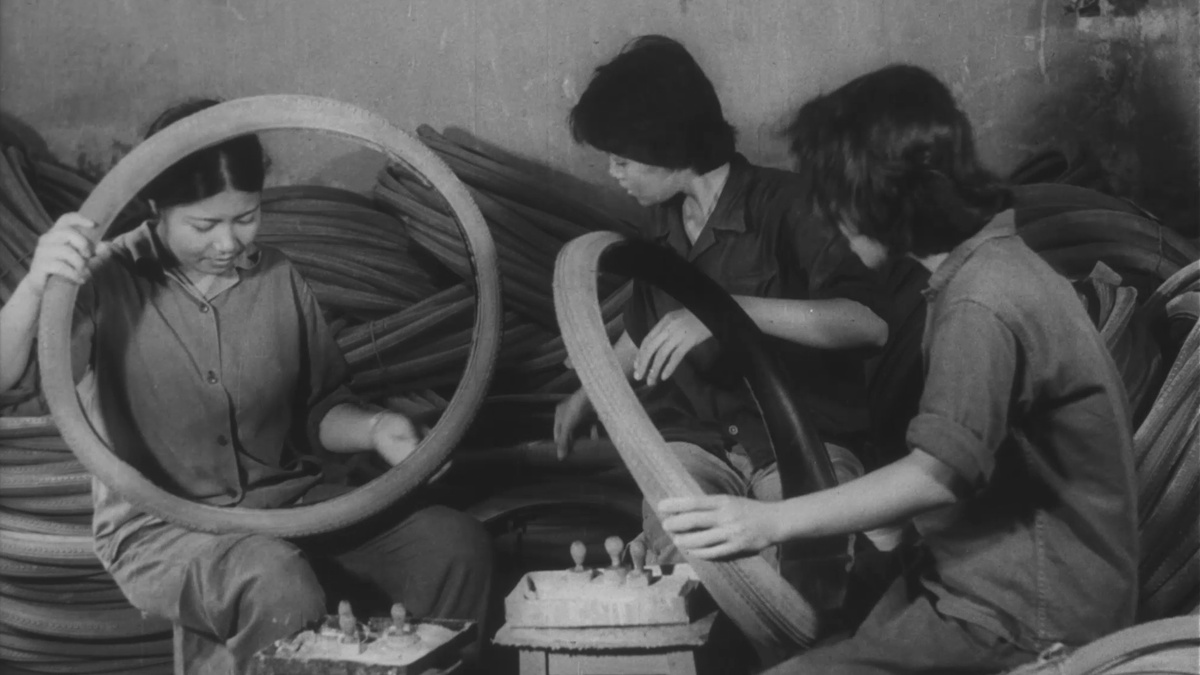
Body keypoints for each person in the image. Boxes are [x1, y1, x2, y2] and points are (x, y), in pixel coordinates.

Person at [659, 64, 1139, 673]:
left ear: (874, 196)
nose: (826, 218)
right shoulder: (990, 267)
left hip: (1026, 612)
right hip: (994, 578)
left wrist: (766, 521)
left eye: (832, 197)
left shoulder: (979, 301)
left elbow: (936, 477)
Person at [0, 99, 492, 673]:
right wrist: (37, 287)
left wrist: (380, 430)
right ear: (157, 205)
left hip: (294, 508)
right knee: (273, 579)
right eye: (204, 225)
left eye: (247, 217)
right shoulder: (105, 280)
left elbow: (319, 410)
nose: (229, 243)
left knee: (451, 546)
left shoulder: (278, 275)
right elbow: (9, 380)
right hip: (165, 531)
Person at [560, 35, 888, 618]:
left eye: (622, 159)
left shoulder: (788, 205)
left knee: (800, 586)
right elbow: (641, 332)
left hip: (802, 443)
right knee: (684, 569)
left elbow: (867, 324)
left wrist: (723, 315)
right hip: (701, 445)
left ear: (666, 145)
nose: (613, 174)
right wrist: (587, 392)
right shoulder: (662, 229)